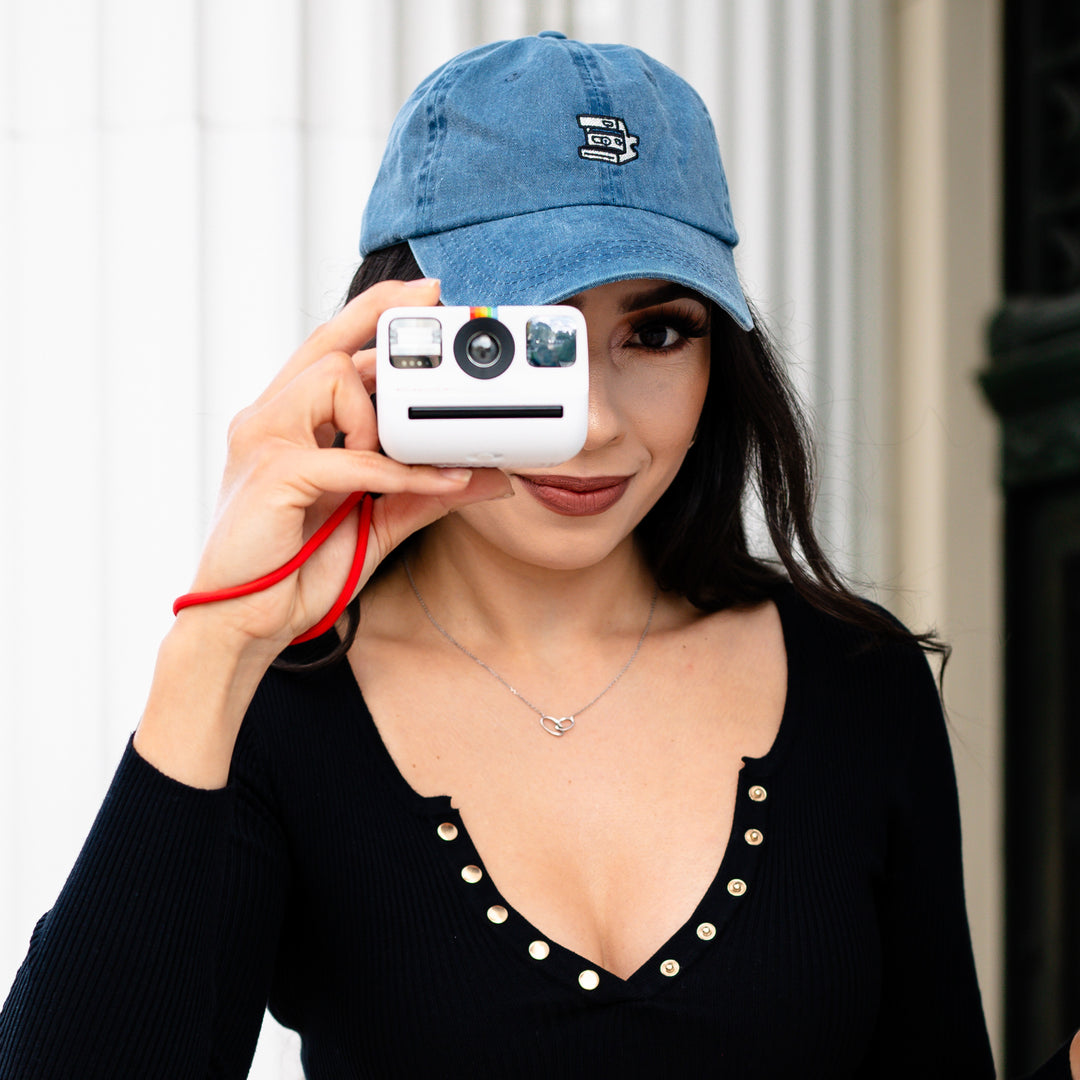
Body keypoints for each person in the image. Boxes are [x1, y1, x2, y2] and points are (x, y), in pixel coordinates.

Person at [0, 31, 1075, 1080]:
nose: (597, 423)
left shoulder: (856, 683)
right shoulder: (280, 703)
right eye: (523, 342)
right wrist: (218, 638)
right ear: (394, 341)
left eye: (656, 334)